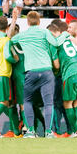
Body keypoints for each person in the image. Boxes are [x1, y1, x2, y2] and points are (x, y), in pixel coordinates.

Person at [9, 10, 61, 138]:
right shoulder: (45, 32)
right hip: (46, 71)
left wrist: (14, 20)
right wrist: (64, 35)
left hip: (31, 72)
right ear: (39, 21)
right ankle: (48, 132)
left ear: (27, 22)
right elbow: (55, 43)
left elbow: (9, 38)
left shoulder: (24, 35)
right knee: (48, 103)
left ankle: (31, 131)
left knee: (27, 101)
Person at [48, 20, 77, 137]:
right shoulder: (73, 39)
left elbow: (57, 66)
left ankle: (75, 130)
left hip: (70, 74)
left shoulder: (55, 44)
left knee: (67, 103)